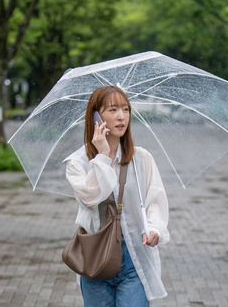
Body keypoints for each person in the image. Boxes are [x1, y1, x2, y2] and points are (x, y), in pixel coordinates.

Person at [64, 85, 170, 306]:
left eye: (125, 109)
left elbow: (156, 200)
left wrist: (155, 228)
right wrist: (102, 156)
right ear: (95, 116)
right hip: (95, 258)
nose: (121, 116)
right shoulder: (78, 163)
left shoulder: (141, 158)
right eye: (112, 110)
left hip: (135, 256)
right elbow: (90, 198)